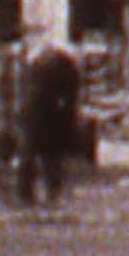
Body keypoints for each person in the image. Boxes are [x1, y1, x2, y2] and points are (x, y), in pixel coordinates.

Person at [10, 36, 87, 210]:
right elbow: (71, 96)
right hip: (50, 114)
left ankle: (25, 194)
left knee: (29, 154)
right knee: (51, 157)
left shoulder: (34, 63)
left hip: (32, 112)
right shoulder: (65, 65)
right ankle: (52, 193)